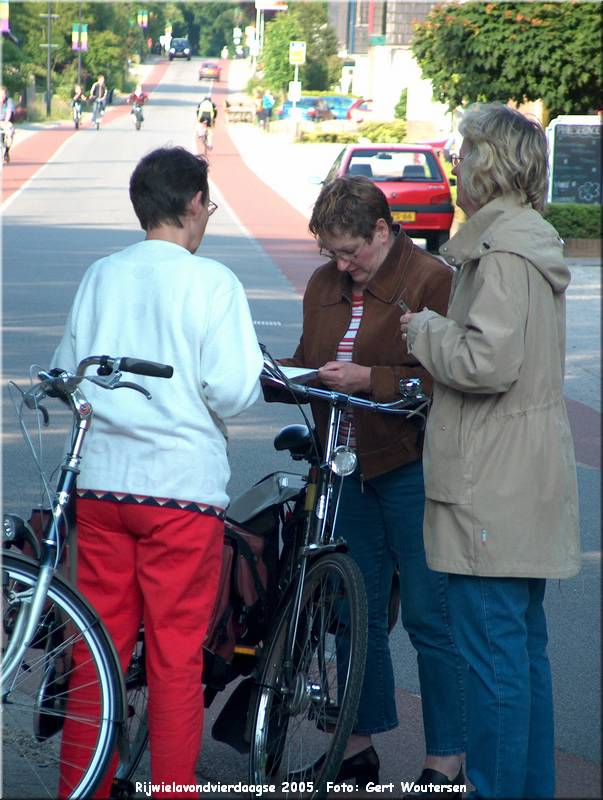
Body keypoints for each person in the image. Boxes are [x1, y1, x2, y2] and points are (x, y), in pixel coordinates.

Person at [52, 146, 263, 798]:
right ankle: (173, 789)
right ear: (195, 205)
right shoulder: (213, 283)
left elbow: (69, 374)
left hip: (104, 484)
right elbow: (233, 391)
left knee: (96, 648)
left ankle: (81, 786)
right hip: (180, 495)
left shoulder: (102, 274)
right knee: (174, 661)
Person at [400, 103, 580, 799]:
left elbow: (486, 362)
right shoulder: (521, 241)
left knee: (494, 662)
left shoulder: (500, 251)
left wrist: (423, 332)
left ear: (489, 163)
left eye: (464, 152)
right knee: (518, 655)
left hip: (490, 482)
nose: (454, 164)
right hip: (519, 476)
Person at [268, 176, 467, 791]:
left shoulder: (431, 278)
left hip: (411, 464)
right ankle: (357, 747)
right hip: (343, 465)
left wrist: (369, 380)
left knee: (432, 618)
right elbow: (310, 352)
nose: (342, 265)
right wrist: (286, 375)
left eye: (351, 251)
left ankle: (447, 759)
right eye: (332, 253)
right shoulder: (325, 284)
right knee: (354, 613)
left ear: (383, 230)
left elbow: (451, 377)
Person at [0, 85, 16, 160]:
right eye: (1, 94)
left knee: (11, 132)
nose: (2, 96)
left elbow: (9, 112)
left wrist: (6, 122)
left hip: (6, 122)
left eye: (3, 94)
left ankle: (6, 152)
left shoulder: (9, 101)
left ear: (6, 94)